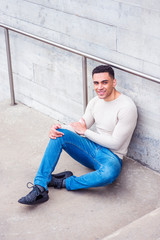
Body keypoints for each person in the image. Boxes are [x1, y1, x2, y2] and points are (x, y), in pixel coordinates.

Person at [18, 64, 137, 205]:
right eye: (96, 83)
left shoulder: (126, 107)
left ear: (114, 82)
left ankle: (64, 182)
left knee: (108, 174)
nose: (100, 87)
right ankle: (40, 186)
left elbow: (116, 143)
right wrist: (58, 128)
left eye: (105, 82)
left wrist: (86, 132)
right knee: (60, 134)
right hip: (91, 148)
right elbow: (80, 125)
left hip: (112, 156)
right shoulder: (95, 102)